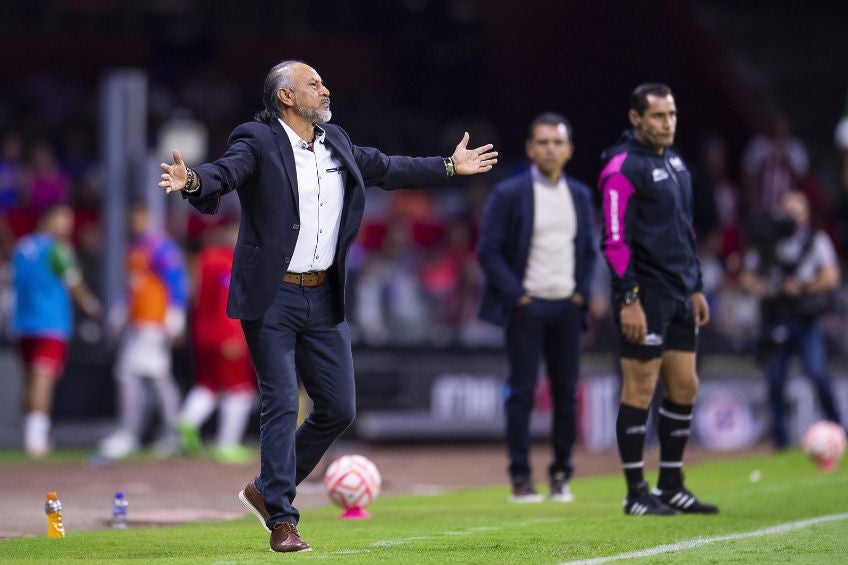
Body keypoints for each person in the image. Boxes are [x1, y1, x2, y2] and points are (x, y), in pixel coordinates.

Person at [158, 60, 497, 552]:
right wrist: (192, 181)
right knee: (280, 401)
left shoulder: (336, 140)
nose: (326, 88)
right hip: (272, 295)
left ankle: (265, 488)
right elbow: (225, 173)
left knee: (339, 408)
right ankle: (282, 519)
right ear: (286, 97)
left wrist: (448, 166)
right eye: (313, 84)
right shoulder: (256, 138)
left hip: (323, 293)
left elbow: (387, 167)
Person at [598, 84, 718, 516]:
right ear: (636, 118)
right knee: (641, 387)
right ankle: (635, 493)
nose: (667, 123)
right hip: (645, 294)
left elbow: (685, 231)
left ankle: (671, 485)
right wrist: (628, 298)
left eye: (671, 115)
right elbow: (613, 240)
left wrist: (697, 284)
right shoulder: (621, 167)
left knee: (685, 385)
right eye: (658, 116)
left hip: (680, 292)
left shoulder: (676, 162)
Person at [477, 113, 596, 503]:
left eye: (557, 142)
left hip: (566, 307)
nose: (550, 148)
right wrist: (518, 296)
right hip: (527, 308)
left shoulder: (579, 194)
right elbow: (488, 251)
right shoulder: (509, 194)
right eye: (542, 142)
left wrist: (581, 291)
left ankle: (561, 474)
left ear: (569, 150)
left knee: (566, 394)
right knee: (522, 393)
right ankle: (520, 478)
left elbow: (588, 250)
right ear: (530, 148)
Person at [739, 191, 843, 448]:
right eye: (788, 211)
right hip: (775, 318)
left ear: (806, 215)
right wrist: (764, 286)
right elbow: (747, 278)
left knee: (817, 373)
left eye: (797, 212)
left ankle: (838, 430)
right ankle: (781, 441)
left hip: (805, 319)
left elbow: (832, 276)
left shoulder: (815, 240)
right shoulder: (766, 242)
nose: (792, 218)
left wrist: (803, 287)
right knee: (775, 379)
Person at [98, 204, 188, 459]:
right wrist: (121, 313)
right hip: (139, 321)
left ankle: (134, 433)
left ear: (149, 218)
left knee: (138, 375)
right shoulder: (135, 247)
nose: (135, 222)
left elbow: (176, 282)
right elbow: (133, 287)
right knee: (153, 379)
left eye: (139, 217)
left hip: (154, 322)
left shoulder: (161, 246)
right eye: (133, 218)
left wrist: (175, 316)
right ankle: (166, 432)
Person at [12, 205, 100, 457]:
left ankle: (28, 432)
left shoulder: (23, 247)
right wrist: (91, 306)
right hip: (50, 322)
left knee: (30, 378)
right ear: (48, 219)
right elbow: (74, 283)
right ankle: (36, 439)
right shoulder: (58, 249)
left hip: (23, 322)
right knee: (43, 378)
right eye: (63, 219)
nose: (67, 226)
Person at [178, 221, 257, 464]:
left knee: (209, 384)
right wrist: (236, 336)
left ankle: (187, 420)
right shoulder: (229, 263)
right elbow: (228, 301)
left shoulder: (203, 260)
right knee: (240, 389)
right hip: (225, 334)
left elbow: (192, 295)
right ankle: (227, 444)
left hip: (202, 333)